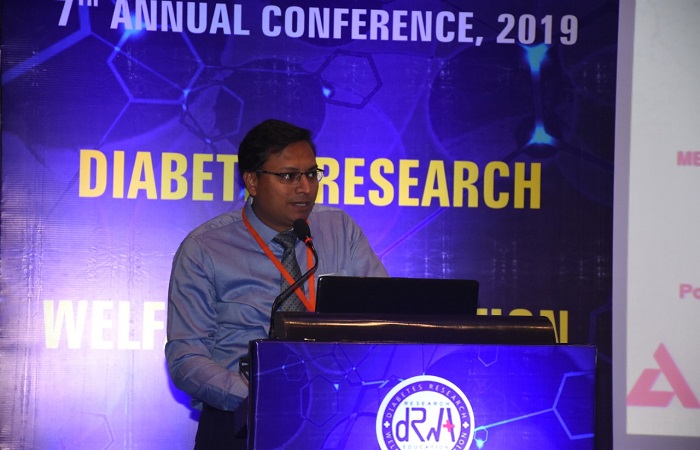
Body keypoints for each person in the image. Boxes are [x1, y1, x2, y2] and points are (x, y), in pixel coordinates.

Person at [165, 118, 388, 449]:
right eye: (288, 176)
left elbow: (383, 318)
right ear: (252, 181)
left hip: (335, 420)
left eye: (311, 174)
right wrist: (261, 396)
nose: (305, 187)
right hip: (240, 422)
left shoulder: (340, 230)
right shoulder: (205, 249)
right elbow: (186, 356)